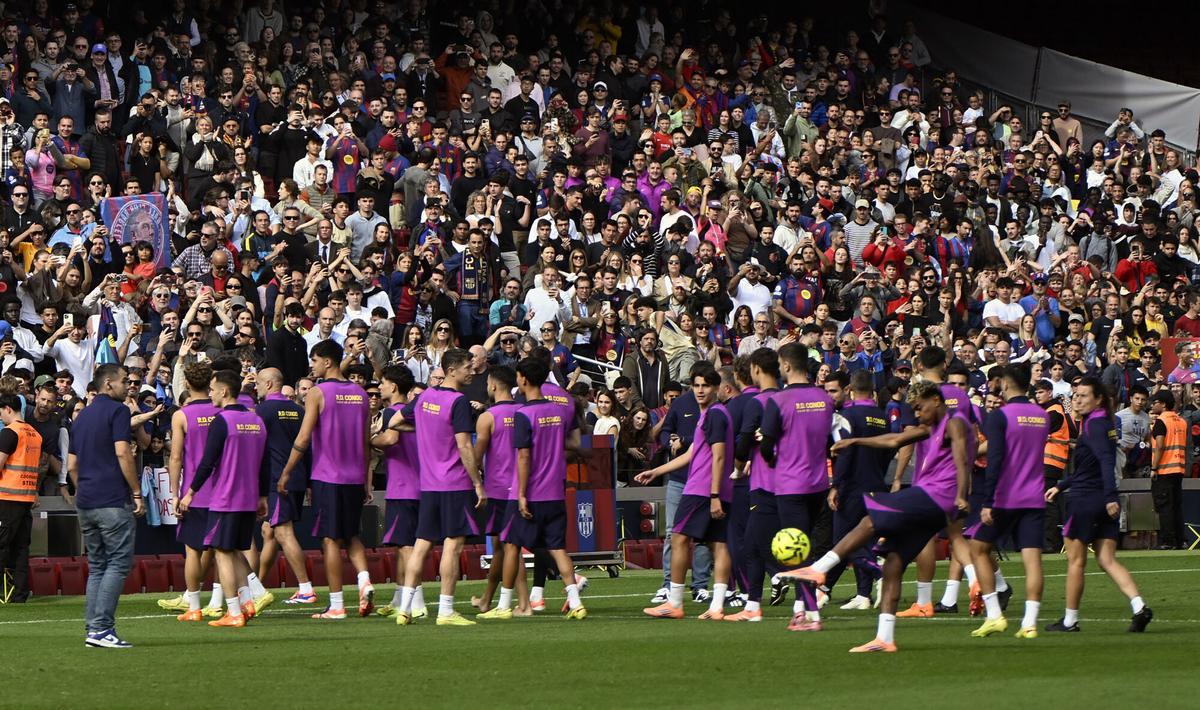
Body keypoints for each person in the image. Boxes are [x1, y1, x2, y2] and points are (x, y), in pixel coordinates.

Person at [781, 379, 972, 653]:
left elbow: (961, 460)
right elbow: (893, 439)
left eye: (919, 408)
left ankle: (818, 569)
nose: (917, 414)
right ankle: (885, 638)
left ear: (936, 400)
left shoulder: (954, 423)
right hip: (935, 505)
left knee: (870, 518)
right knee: (894, 562)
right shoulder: (929, 427)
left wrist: (962, 495)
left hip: (937, 496)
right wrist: (856, 440)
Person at [479, 357, 587, 620]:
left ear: (523, 379)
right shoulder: (559, 411)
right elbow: (572, 445)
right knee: (558, 548)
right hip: (555, 491)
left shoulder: (523, 415)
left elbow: (524, 457)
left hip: (532, 491)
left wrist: (522, 494)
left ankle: (504, 605)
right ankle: (575, 602)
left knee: (511, 545)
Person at [1044, 377, 1153, 633]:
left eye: (1083, 396)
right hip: (1100, 499)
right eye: (1076, 395)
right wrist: (1061, 485)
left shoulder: (1094, 426)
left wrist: (1111, 496)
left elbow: (1105, 462)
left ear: (1098, 399)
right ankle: (1139, 607)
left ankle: (1070, 620)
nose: (1077, 400)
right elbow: (1091, 466)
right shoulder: (1103, 424)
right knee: (1107, 559)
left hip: (1087, 500)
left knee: (1075, 562)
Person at [277, 339, 376, 620]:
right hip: (355, 476)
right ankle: (364, 579)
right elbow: (366, 442)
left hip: (327, 475)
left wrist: (286, 472)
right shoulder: (360, 394)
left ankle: (336, 605)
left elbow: (304, 437)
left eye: (315, 360)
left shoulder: (318, 393)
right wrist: (367, 480)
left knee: (330, 540)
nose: (313, 366)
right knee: (351, 535)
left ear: (328, 361)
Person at [391, 348, 486, 626]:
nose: (472, 370)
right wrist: (478, 483)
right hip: (454, 483)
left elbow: (395, 421)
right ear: (452, 370)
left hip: (429, 484)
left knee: (421, 545)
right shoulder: (458, 402)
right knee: (452, 546)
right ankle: (445, 610)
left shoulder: (424, 398)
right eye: (468, 366)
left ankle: (406, 608)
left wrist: (423, 431)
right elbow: (464, 445)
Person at [637, 367, 733, 621]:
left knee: (679, 538)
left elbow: (719, 456)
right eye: (697, 385)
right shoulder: (713, 414)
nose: (700, 390)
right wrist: (656, 471)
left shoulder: (713, 415)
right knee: (718, 544)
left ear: (716, 388)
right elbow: (693, 454)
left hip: (702, 489)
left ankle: (675, 601)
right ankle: (716, 606)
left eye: (706, 386)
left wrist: (713, 495)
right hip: (712, 488)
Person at [177, 369, 270, 628]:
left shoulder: (222, 421)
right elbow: (265, 464)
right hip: (249, 498)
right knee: (235, 550)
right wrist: (263, 496)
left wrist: (191, 493)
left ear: (224, 391)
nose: (210, 393)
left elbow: (207, 462)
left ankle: (234, 611)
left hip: (225, 497)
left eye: (213, 389)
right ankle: (248, 600)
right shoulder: (256, 421)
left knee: (222, 552)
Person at [758, 342, 835, 631]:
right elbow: (828, 443)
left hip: (790, 485)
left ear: (787, 366)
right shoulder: (824, 399)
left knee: (795, 551)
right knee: (810, 548)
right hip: (818, 483)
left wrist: (777, 459)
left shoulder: (777, 401)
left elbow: (766, 447)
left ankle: (808, 614)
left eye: (780, 365)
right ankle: (806, 607)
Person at [969, 363, 1049, 639]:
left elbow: (995, 460)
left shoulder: (1000, 416)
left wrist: (988, 500)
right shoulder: (1042, 415)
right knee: (1033, 560)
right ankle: (1029, 623)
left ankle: (994, 615)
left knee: (977, 549)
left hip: (1005, 497)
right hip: (1034, 496)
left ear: (1004, 383)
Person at [68, 364, 145, 649]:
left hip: (86, 500)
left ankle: (94, 629)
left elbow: (72, 466)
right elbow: (123, 451)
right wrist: (137, 492)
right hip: (111, 499)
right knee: (116, 565)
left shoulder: (82, 416)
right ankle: (101, 629)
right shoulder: (119, 411)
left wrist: (84, 487)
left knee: (98, 565)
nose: (129, 386)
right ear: (109, 384)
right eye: (125, 381)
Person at [157, 361, 227, 619]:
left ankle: (195, 606)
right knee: (221, 551)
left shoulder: (182, 415)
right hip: (221, 489)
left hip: (193, 492)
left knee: (192, 551)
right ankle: (218, 601)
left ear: (187, 383)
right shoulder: (222, 411)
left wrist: (175, 493)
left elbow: (175, 457)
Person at [823, 371, 887, 610]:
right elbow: (888, 448)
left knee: (844, 541)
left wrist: (836, 485)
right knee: (866, 539)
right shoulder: (881, 416)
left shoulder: (846, 416)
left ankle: (880, 573)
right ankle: (863, 594)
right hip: (877, 483)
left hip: (852, 486)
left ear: (850, 389)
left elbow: (844, 452)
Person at [724, 347, 781, 622]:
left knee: (750, 544)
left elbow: (743, 443)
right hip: (797, 482)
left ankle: (756, 603)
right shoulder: (789, 398)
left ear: (756, 369)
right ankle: (758, 603)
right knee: (765, 542)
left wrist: (738, 466)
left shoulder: (755, 403)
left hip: (763, 484)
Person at [469, 365, 529, 614]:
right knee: (507, 548)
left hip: (497, 489)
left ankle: (523, 602)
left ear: (493, 385)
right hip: (522, 488)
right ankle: (489, 599)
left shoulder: (488, 417)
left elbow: (476, 455)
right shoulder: (525, 412)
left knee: (506, 547)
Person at [371, 365, 429, 620]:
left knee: (406, 546)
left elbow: (390, 440)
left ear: (393, 386)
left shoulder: (392, 413)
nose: (379, 387)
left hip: (404, 486)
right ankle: (399, 597)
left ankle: (416, 602)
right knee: (401, 545)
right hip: (418, 484)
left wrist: (368, 438)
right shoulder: (415, 413)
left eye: (382, 383)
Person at [254, 367, 315, 605]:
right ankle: (257, 586)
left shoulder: (262, 411)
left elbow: (258, 450)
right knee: (270, 532)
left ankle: (305, 588)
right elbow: (307, 446)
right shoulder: (299, 411)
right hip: (297, 478)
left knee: (282, 531)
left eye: (259, 382)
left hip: (278, 481)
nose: (256, 386)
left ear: (269, 384)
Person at [0, 391, 43, 605]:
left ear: (8, 409)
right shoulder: (35, 433)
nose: (0, 418)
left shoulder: (9, 432)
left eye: (0, 413)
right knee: (21, 548)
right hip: (25, 498)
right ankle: (19, 595)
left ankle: (3, 592)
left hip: (6, 497)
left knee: (2, 544)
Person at [1149, 391, 1186, 549]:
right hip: (1179, 468)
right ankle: (1180, 540)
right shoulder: (1182, 421)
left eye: (1155, 402)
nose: (1152, 405)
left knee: (1165, 507)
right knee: (1176, 506)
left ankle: (1167, 541)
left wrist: (1154, 468)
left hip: (1164, 470)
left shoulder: (1161, 421)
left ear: (1163, 404)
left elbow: (1160, 446)